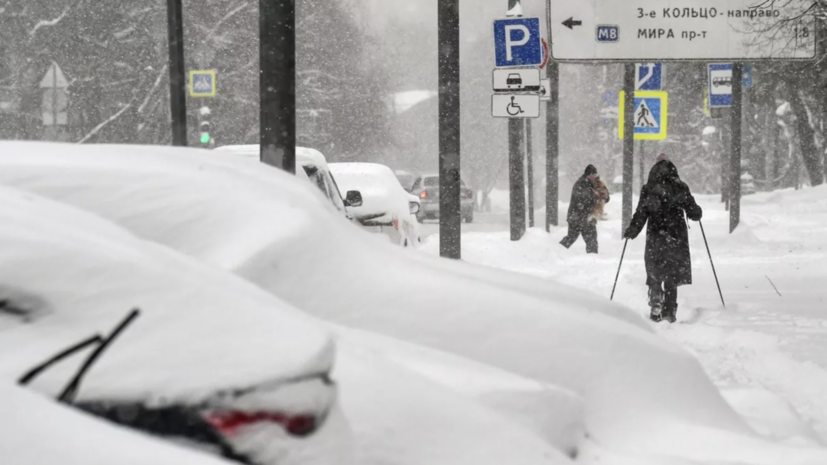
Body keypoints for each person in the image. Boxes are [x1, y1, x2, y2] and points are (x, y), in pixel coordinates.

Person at [623, 158, 702, 323]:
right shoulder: (680, 186)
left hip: (656, 236)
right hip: (676, 236)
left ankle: (656, 303)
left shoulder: (649, 189)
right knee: (672, 274)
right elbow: (693, 211)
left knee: (655, 271)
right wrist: (696, 212)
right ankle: (669, 311)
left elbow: (641, 213)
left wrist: (632, 231)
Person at [560, 165, 601, 254]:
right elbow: (586, 199)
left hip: (581, 217)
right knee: (580, 238)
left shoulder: (592, 184)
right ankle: (554, 252)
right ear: (589, 174)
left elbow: (605, 197)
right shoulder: (581, 184)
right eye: (594, 174)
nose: (595, 176)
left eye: (596, 174)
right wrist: (596, 195)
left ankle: (556, 251)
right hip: (579, 217)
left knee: (586, 239)